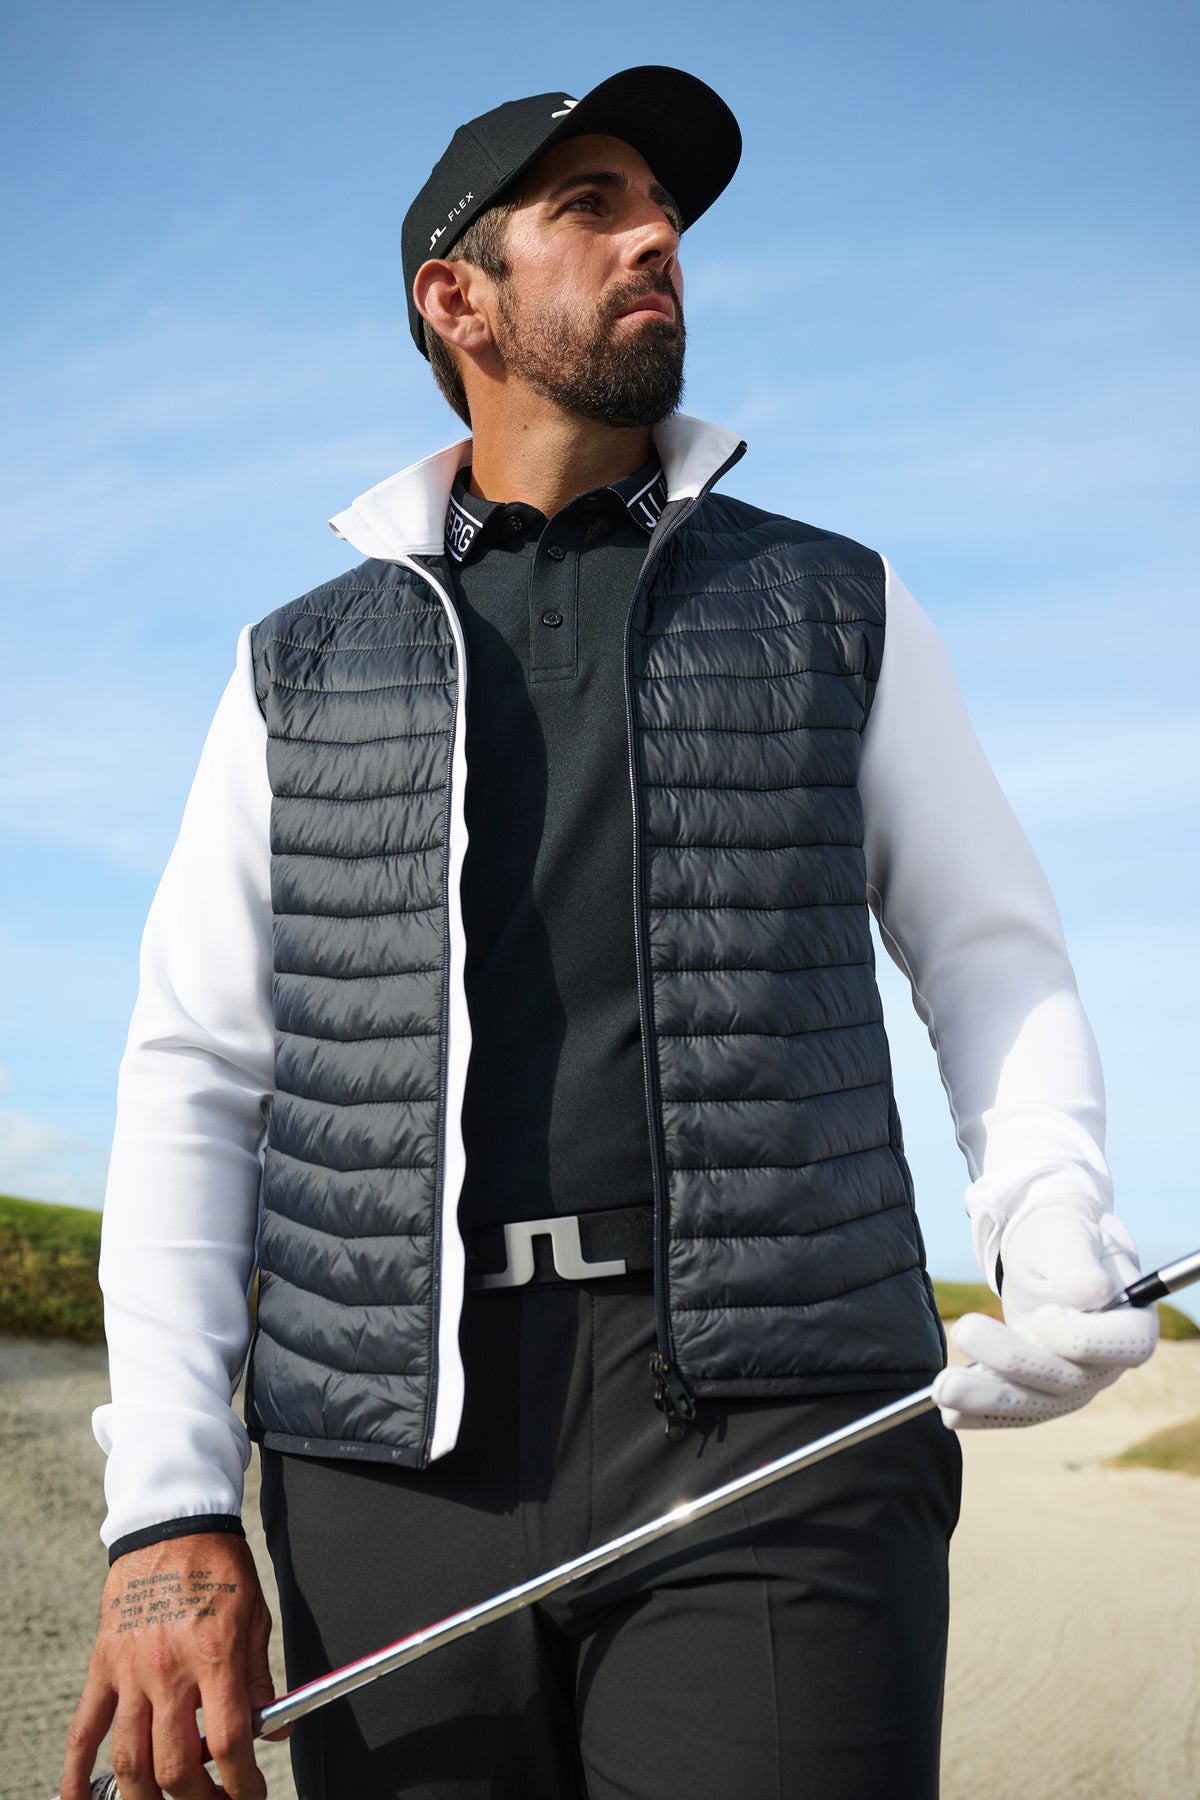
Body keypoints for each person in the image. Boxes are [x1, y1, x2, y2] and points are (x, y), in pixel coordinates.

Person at [62, 64, 1158, 1800]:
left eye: (663, 210)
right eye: (591, 207)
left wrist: (1048, 1221)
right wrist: (169, 1513)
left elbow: (988, 953)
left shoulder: (839, 600)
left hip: (787, 1429)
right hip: (387, 1472)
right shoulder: (293, 668)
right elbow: (195, 1080)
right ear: (459, 299)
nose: (657, 237)